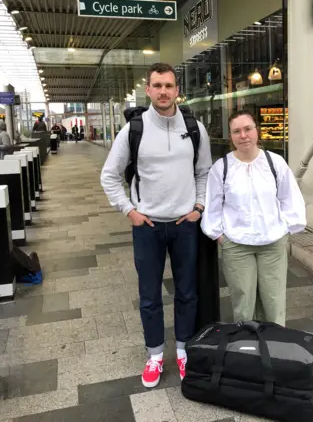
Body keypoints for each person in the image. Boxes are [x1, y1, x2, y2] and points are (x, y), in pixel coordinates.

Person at [100, 62, 212, 388]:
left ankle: (183, 350)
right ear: (148, 90)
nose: (163, 91)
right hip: (147, 226)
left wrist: (199, 207)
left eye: (169, 85)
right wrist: (128, 210)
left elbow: (204, 171)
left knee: (187, 293)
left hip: (185, 224)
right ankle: (155, 356)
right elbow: (109, 174)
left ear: (178, 90)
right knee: (149, 296)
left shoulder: (194, 128)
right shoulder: (133, 130)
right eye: (157, 86)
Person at [201, 110, 306, 326]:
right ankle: (248, 350)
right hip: (237, 245)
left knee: (273, 301)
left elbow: (290, 197)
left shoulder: (274, 163)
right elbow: (212, 206)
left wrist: (285, 228)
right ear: (231, 136)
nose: (243, 135)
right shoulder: (222, 168)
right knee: (243, 302)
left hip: (272, 243)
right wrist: (220, 236)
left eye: (248, 129)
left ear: (257, 131)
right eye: (237, 131)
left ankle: (275, 347)